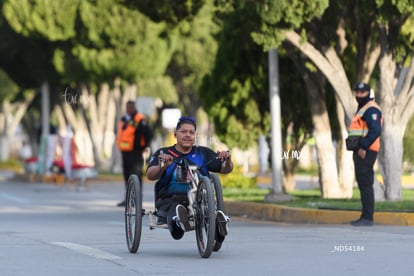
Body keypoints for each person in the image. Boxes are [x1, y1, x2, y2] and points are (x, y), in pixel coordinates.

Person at [146, 116, 232, 240]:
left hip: (201, 201)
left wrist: (227, 160)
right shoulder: (164, 153)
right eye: (183, 132)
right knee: (177, 216)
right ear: (175, 134)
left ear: (195, 136)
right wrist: (162, 167)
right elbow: (150, 175)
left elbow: (225, 169)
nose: (187, 135)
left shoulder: (203, 153)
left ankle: (219, 226)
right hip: (172, 201)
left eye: (191, 132)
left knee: (213, 222)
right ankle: (180, 221)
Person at [347, 83, 382, 226]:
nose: (359, 95)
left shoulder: (371, 109)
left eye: (362, 92)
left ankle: (367, 218)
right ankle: (365, 216)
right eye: (357, 92)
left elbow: (375, 130)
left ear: (368, 93)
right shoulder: (362, 108)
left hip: (366, 151)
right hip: (361, 150)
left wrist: (363, 146)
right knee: (363, 183)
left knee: (366, 184)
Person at [116, 100, 152, 207]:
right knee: (127, 175)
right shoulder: (124, 119)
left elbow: (148, 134)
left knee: (135, 175)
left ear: (134, 108)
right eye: (128, 107)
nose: (129, 110)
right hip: (125, 152)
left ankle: (137, 199)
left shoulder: (139, 119)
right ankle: (128, 198)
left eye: (131, 107)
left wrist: (145, 147)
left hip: (136, 152)